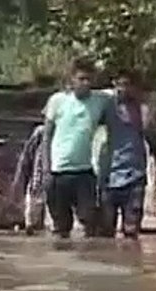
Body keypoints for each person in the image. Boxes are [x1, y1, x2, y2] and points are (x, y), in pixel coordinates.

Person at [42, 57, 111, 238]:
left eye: (89, 79)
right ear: (72, 79)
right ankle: (62, 264)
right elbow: (47, 136)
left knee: (90, 221)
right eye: (81, 79)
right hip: (58, 173)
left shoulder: (101, 100)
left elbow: (125, 93)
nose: (85, 83)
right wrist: (46, 169)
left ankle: (89, 262)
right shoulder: (57, 101)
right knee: (61, 227)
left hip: (84, 173)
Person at [96, 70, 156, 239]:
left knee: (132, 231)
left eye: (127, 85)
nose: (122, 89)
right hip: (108, 177)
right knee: (105, 232)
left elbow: (155, 142)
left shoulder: (145, 112)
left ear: (135, 88)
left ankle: (132, 263)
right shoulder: (107, 107)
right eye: (118, 85)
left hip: (135, 178)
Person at [11, 123, 48, 235]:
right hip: (38, 183)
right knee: (31, 224)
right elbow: (26, 158)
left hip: (48, 183)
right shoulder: (41, 132)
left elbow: (25, 159)